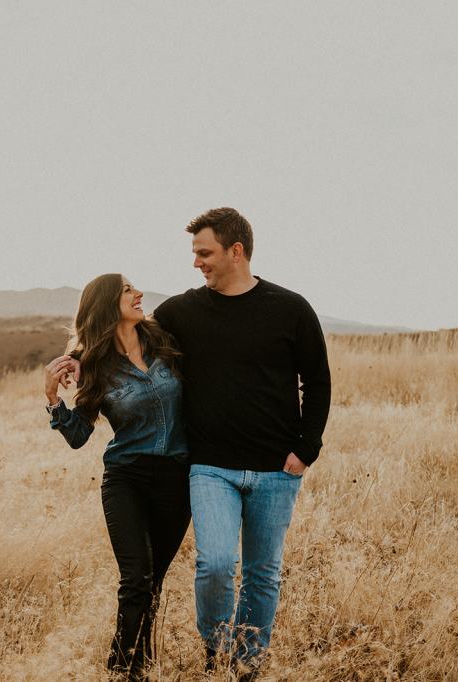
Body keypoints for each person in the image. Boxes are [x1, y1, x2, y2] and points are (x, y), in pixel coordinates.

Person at [151, 207, 331, 677]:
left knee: (261, 574)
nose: (197, 263)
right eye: (194, 254)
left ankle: (247, 666)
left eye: (204, 252)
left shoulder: (291, 308)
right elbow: (129, 336)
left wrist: (305, 449)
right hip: (211, 467)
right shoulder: (181, 311)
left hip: (277, 469)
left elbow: (317, 381)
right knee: (213, 563)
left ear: (236, 251)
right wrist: (75, 358)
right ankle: (217, 650)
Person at [43, 273, 191, 679]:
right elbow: (78, 436)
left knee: (153, 582)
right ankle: (122, 669)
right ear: (108, 304)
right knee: (136, 578)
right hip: (126, 479)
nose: (138, 293)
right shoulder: (93, 365)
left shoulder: (165, 343)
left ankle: (143, 665)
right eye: (127, 289)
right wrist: (54, 399)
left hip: (176, 479)